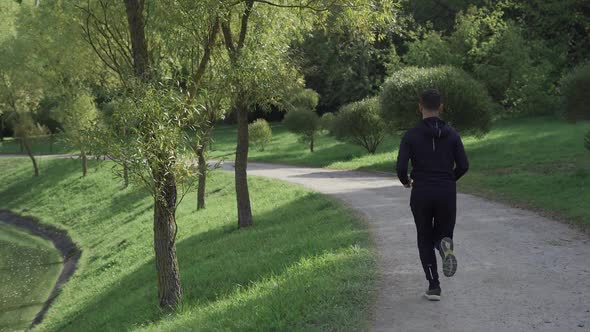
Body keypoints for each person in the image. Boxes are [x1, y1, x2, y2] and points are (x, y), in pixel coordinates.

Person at [396, 89, 469, 301]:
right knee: (443, 235)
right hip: (446, 191)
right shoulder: (453, 134)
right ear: (441, 107)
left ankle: (434, 286)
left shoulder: (411, 135)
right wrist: (448, 180)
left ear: (420, 106)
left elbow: (401, 167)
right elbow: (463, 165)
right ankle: (444, 248)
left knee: (424, 237)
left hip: (422, 192)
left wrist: (405, 181)